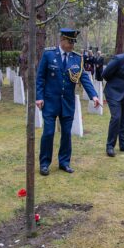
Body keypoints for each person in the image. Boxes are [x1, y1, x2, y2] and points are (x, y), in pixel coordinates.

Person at [36, 28, 100, 176]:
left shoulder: (77, 58)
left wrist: (94, 96)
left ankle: (64, 162)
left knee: (66, 134)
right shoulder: (49, 54)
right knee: (48, 132)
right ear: (62, 40)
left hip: (67, 103)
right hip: (50, 102)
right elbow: (40, 78)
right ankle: (44, 163)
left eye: (73, 42)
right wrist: (39, 97)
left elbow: (83, 77)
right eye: (69, 41)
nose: (71, 45)